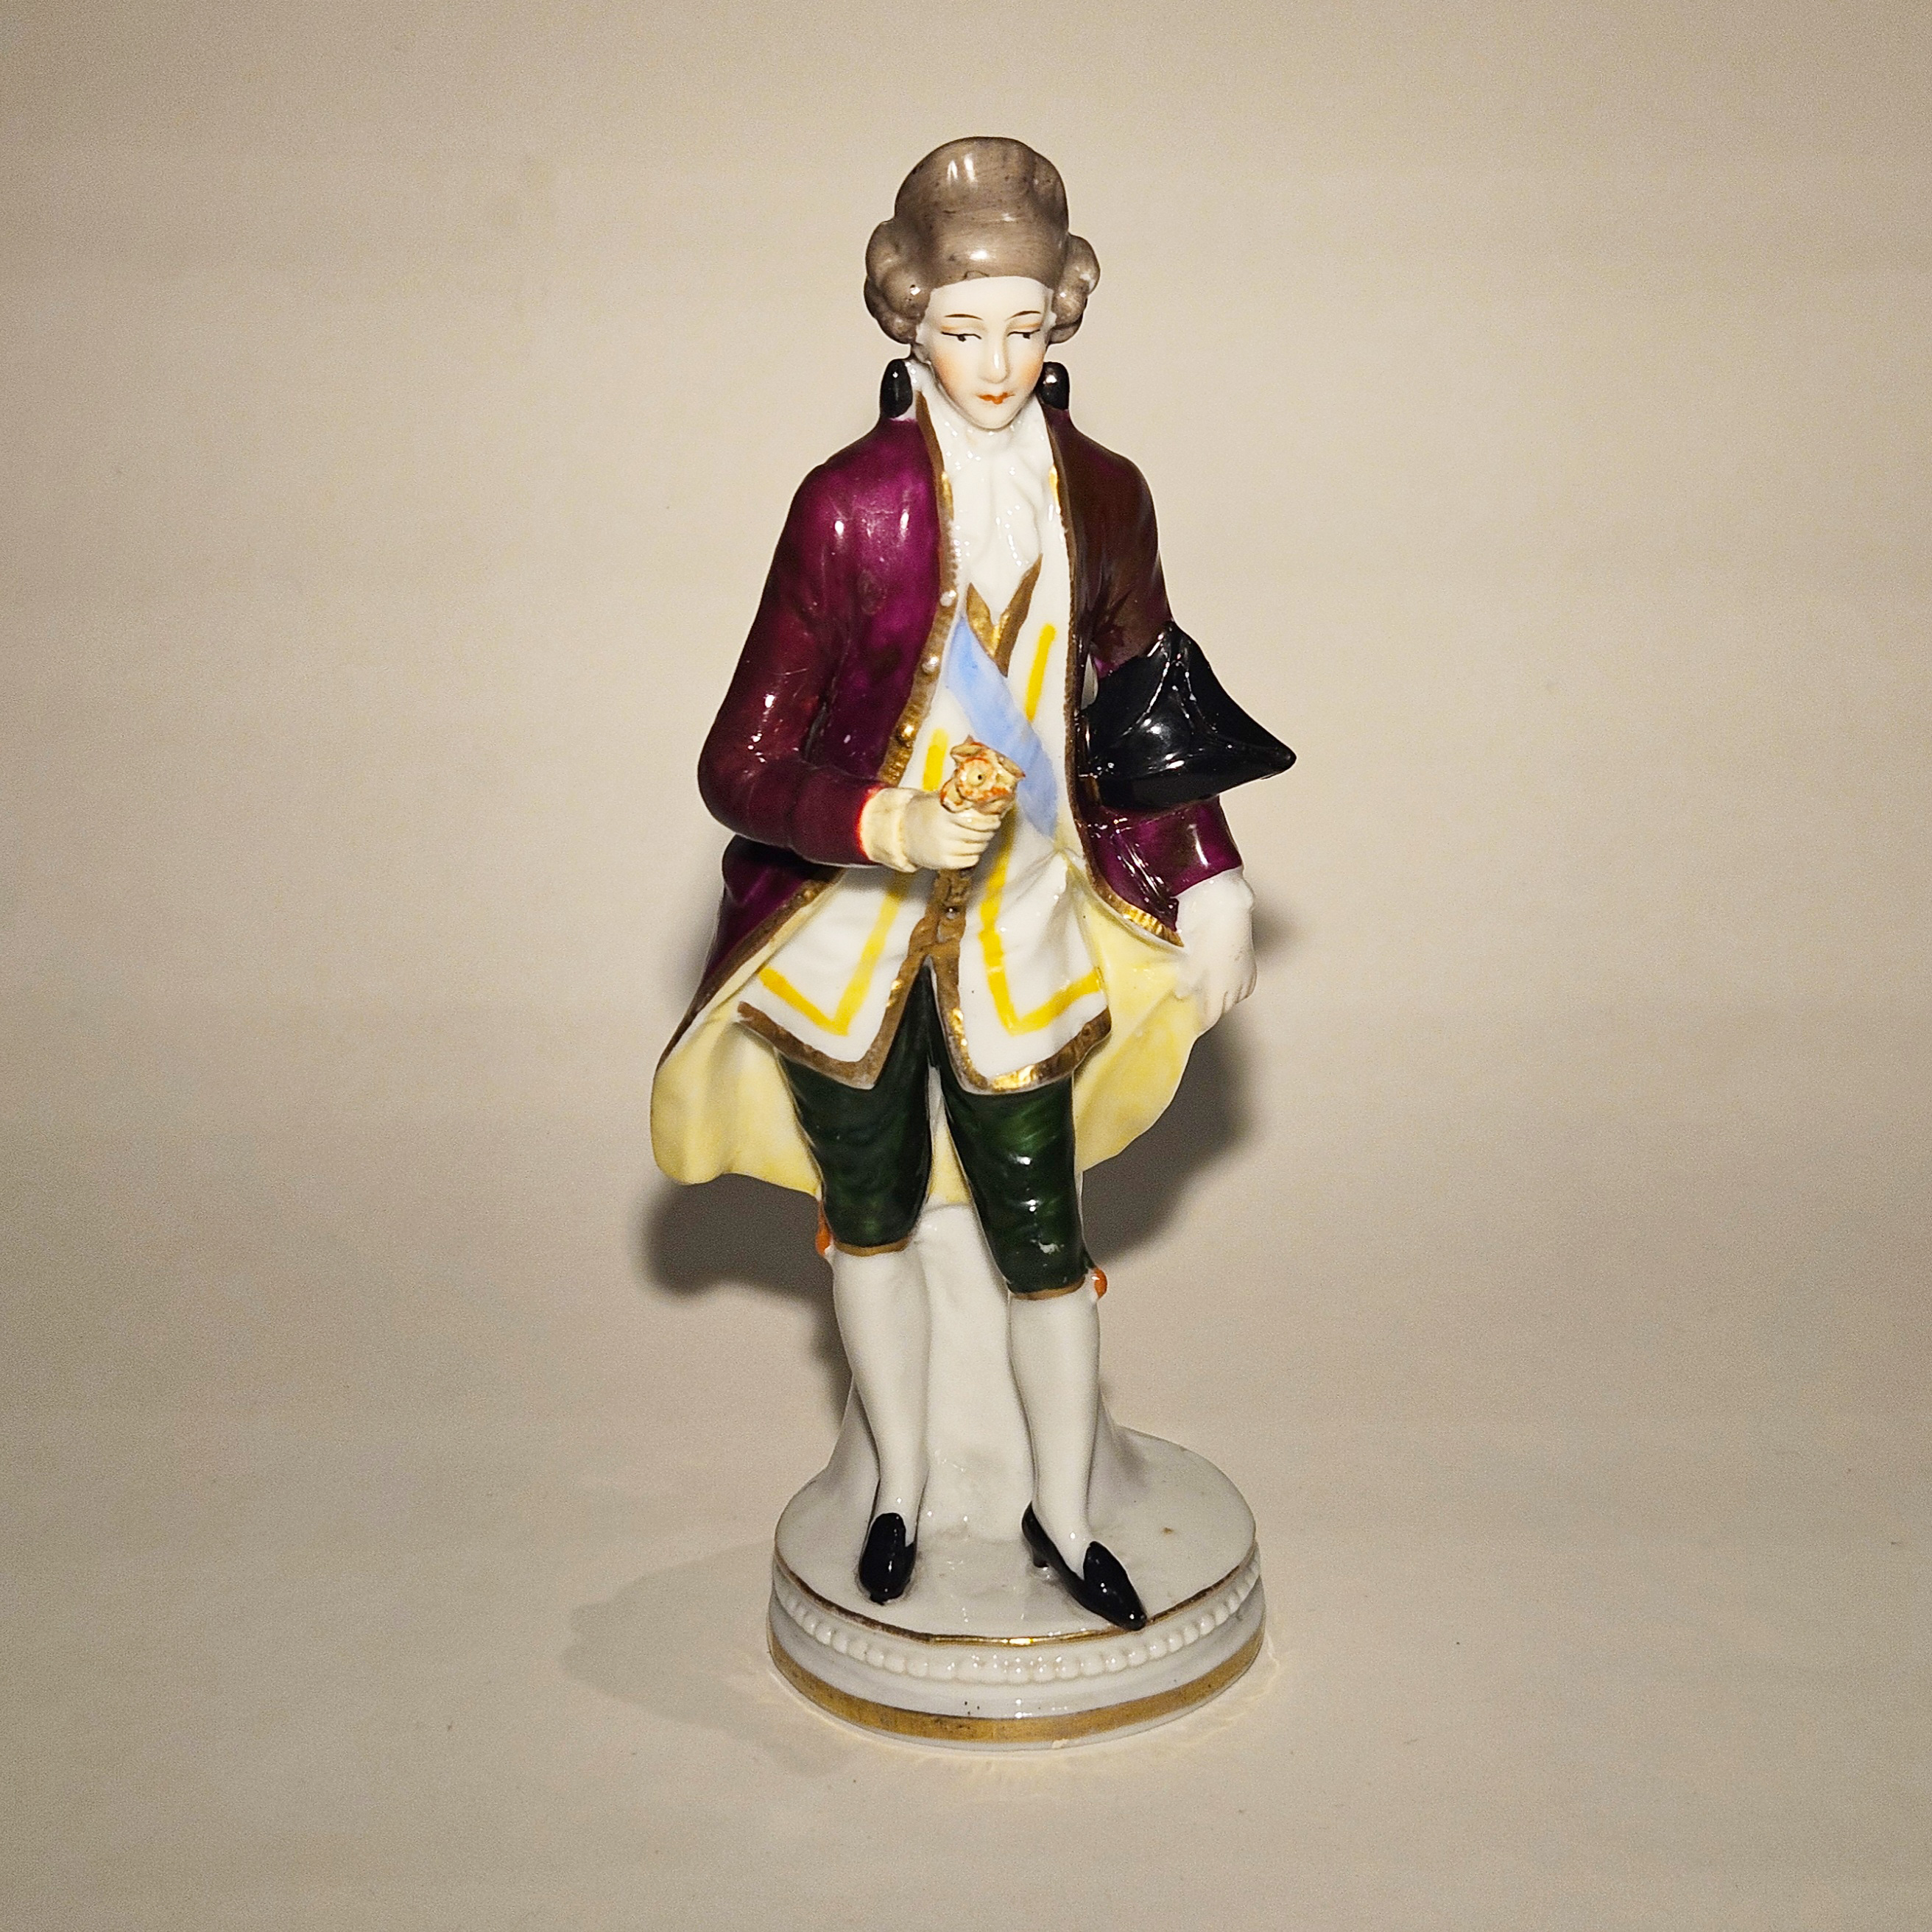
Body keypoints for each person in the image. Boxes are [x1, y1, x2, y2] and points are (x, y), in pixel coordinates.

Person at [652, 138, 1257, 1629]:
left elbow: (1147, 702)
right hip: (848, 943)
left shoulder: (1104, 495)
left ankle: (1067, 1506)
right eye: (961, 327)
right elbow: (739, 762)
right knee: (866, 1222)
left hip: (1026, 930)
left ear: (1063, 320)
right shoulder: (846, 506)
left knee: (1044, 1239)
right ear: (908, 322)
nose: (995, 362)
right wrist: (876, 820)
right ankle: (899, 1489)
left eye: (1024, 327)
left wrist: (1213, 875)